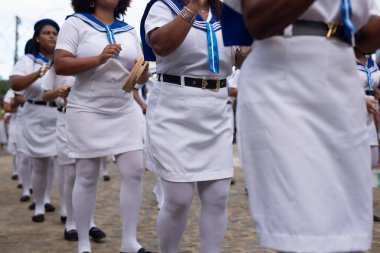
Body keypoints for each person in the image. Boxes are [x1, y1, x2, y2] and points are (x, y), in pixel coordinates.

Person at [224, 0, 380, 252]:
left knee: (345, 226)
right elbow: (258, 20)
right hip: (283, 85)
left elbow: (365, 37)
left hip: (341, 85)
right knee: (300, 228)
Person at [141, 0, 245, 252]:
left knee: (218, 197)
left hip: (215, 108)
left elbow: (238, 59)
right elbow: (161, 45)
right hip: (174, 107)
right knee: (178, 199)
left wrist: (250, 40)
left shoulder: (225, 11)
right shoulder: (163, 6)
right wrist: (194, 6)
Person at [54, 0, 151, 252]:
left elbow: (137, 68)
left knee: (134, 172)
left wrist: (142, 74)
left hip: (123, 107)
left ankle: (129, 241)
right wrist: (98, 58)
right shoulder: (75, 23)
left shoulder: (128, 29)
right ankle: (84, 242)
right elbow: (61, 63)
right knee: (86, 175)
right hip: (87, 107)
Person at [42, 66, 106, 242]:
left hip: (90, 119)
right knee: (71, 174)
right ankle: (71, 223)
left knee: (91, 174)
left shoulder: (91, 58)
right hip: (66, 117)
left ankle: (89, 222)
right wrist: (60, 92)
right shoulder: (57, 66)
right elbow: (45, 95)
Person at [10, 19, 59, 223]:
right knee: (39, 163)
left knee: (54, 161)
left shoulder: (62, 60)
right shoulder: (28, 60)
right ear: (37, 37)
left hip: (57, 114)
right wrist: (38, 73)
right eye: (46, 33)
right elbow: (15, 83)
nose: (51, 36)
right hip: (35, 113)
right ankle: (38, 204)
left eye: (55, 33)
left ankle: (47, 198)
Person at [355, 47, 380, 223]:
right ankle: (357, 210)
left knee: (371, 161)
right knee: (356, 163)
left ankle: (362, 208)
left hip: (371, 113)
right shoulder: (345, 59)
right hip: (353, 110)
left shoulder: (371, 62)